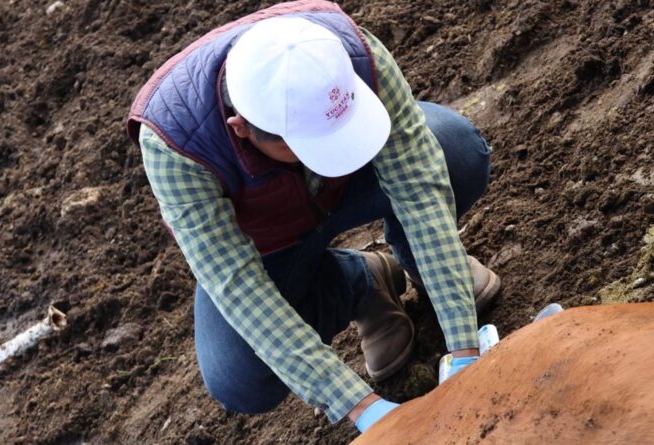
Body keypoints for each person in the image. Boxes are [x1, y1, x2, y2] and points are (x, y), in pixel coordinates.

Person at [126, 0, 500, 434]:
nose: (333, 149)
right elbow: (238, 285)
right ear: (241, 128)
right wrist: (364, 408)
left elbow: (418, 184)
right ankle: (360, 284)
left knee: (456, 152)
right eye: (308, 143)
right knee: (239, 376)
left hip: (354, 185)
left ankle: (428, 267)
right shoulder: (175, 144)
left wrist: (464, 348)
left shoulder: (349, 52)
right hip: (269, 240)